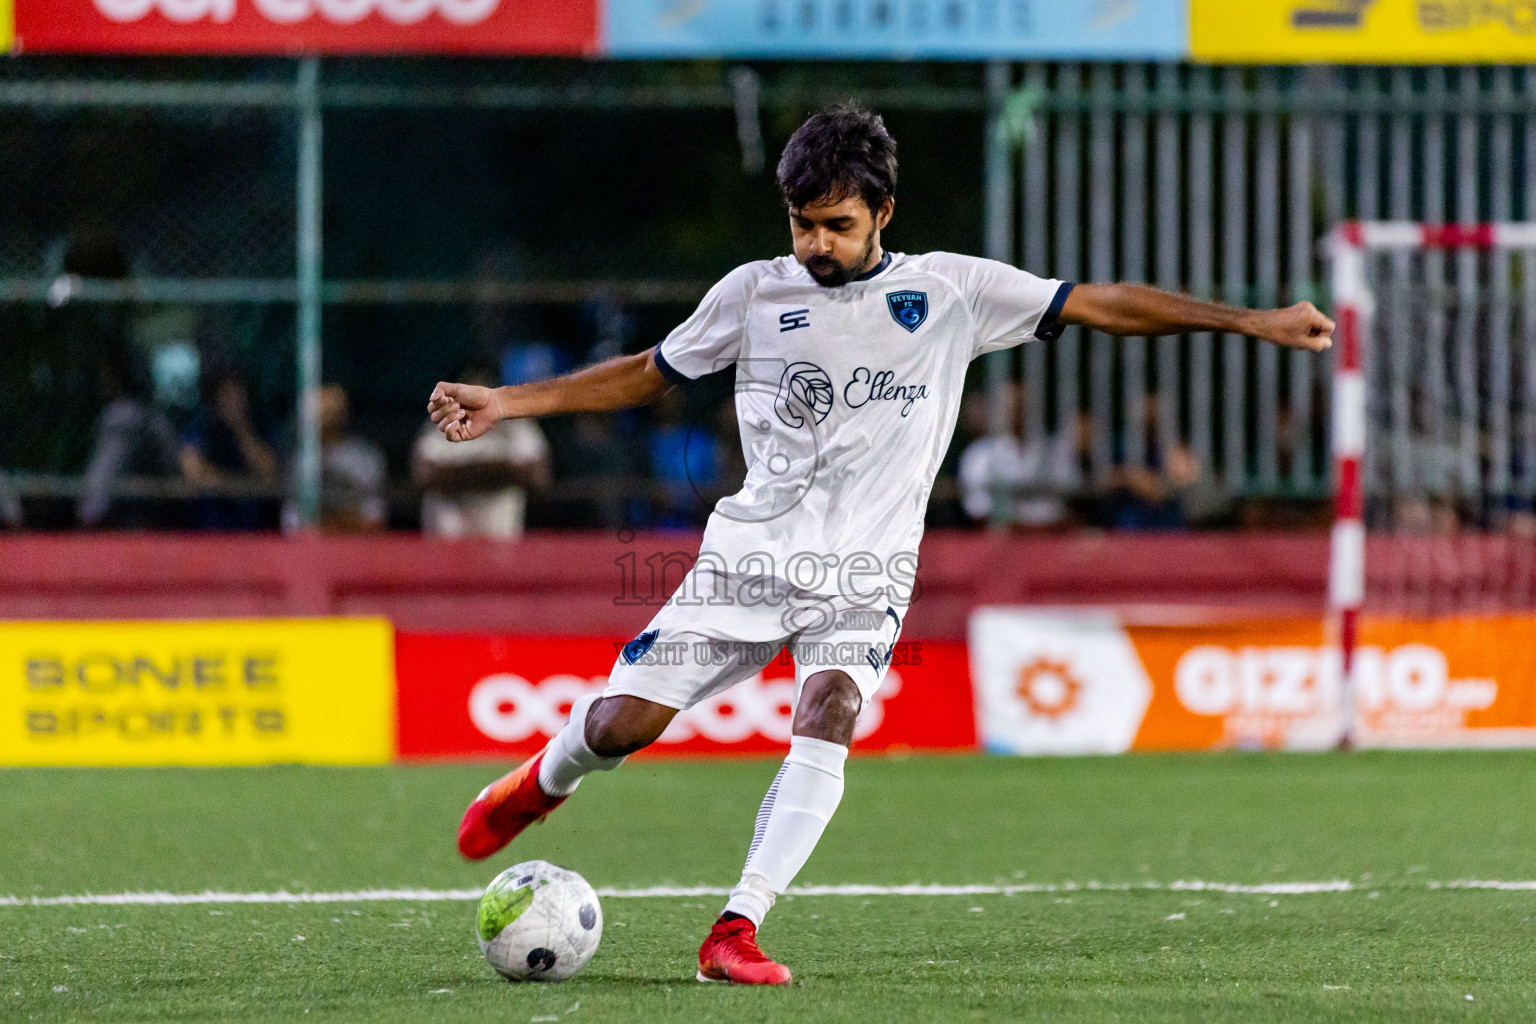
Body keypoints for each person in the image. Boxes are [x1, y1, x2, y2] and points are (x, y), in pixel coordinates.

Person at [427, 104, 1333, 985]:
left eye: (836, 224)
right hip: (748, 560)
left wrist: (1250, 322)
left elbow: (1101, 304)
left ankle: (737, 926)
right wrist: (507, 401)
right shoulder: (752, 292)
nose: (814, 243)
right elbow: (645, 375)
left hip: (868, 573)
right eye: (800, 223)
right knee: (620, 727)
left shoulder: (952, 292)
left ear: (884, 214)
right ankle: (543, 781)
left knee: (830, 711)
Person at [412, 367, 550, 539]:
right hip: (447, 540)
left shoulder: (516, 423)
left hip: (502, 541)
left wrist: (459, 476)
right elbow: (424, 475)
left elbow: (538, 476)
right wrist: (497, 473)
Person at [957, 382, 1075, 529]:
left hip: (1049, 539)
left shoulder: (1055, 450)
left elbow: (1069, 500)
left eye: (1021, 407)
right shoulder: (978, 455)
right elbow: (976, 509)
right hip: (997, 543)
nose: (1016, 413)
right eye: (1010, 408)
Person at [180, 370, 279, 531]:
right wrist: (239, 484)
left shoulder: (261, 426)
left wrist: (241, 429)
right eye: (226, 394)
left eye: (237, 394)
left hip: (251, 529)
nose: (232, 400)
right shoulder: (201, 425)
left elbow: (268, 470)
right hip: (209, 527)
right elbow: (193, 471)